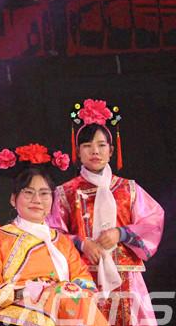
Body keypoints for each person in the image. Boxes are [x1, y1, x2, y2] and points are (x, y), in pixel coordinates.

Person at [48, 99, 164, 326]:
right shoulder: (65, 192)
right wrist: (81, 243)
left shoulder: (128, 189)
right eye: (87, 145)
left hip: (126, 276)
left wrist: (121, 233)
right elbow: (52, 233)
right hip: (82, 276)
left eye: (101, 145)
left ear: (111, 151)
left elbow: (153, 221)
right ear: (78, 151)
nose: (95, 151)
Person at [0, 143, 108, 326]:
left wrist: (57, 292)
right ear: (13, 199)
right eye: (29, 193)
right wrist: (28, 291)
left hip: (64, 312)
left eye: (44, 194)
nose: (37, 200)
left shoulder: (62, 242)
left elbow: (87, 286)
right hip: (14, 318)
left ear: (52, 200)